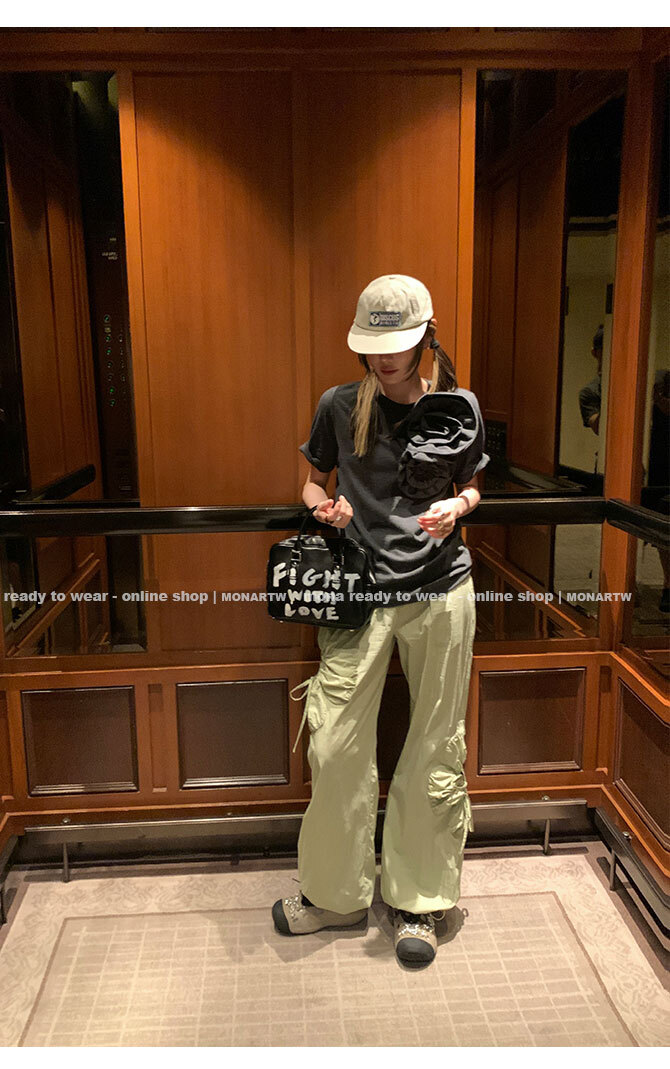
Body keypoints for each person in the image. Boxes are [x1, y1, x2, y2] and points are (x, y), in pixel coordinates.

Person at [272, 274, 489, 966]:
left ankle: (419, 901)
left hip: (441, 589)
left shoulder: (457, 407)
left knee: (435, 743)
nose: (385, 357)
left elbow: (475, 482)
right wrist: (323, 507)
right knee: (335, 745)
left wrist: (458, 506)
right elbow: (311, 480)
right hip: (358, 593)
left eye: (397, 344)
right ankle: (335, 895)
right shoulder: (339, 405)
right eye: (373, 345)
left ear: (426, 337)